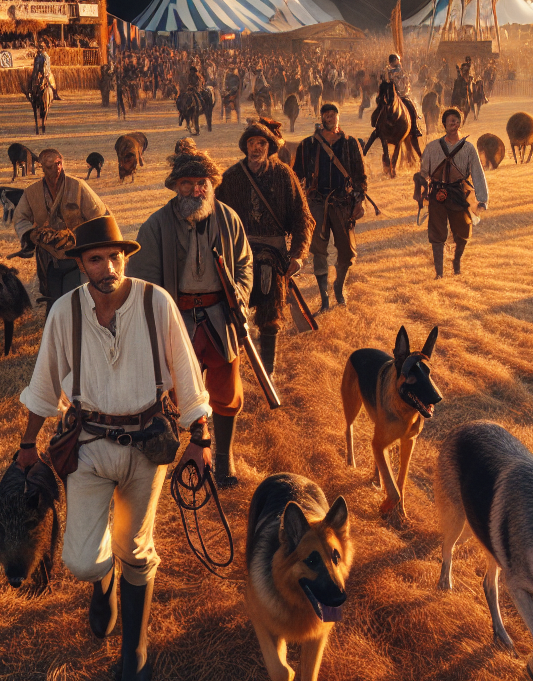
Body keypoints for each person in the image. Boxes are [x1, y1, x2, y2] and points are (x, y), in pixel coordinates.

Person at [15, 215, 212, 681]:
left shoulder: (155, 302)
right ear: (81, 264)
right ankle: (102, 583)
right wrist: (26, 445)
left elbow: (187, 374)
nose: (109, 267)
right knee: (82, 560)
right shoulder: (64, 312)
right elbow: (44, 383)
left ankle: (135, 648)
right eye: (97, 258)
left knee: (136, 548)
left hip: (149, 445)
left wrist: (200, 438)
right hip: (86, 445)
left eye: (115, 257)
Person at [127, 139, 252, 488]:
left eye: (202, 184)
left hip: (219, 316)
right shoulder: (155, 225)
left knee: (227, 392)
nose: (195, 190)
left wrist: (238, 296)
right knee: (179, 391)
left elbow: (244, 264)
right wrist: (158, 319)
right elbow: (144, 278)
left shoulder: (228, 219)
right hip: (176, 319)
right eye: (187, 184)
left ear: (211, 186)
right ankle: (191, 454)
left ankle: (224, 462)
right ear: (175, 187)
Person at [215, 117, 312, 372]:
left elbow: (303, 217)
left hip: (273, 256)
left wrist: (298, 255)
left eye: (261, 143)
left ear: (269, 146)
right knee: (233, 312)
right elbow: (214, 215)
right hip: (238, 256)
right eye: (251, 143)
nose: (256, 148)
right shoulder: (231, 178)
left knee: (270, 318)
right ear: (245, 146)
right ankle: (231, 367)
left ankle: (268, 370)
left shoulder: (284, 174)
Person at [293, 103, 367, 310]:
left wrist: (359, 201)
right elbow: (297, 177)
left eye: (333, 114)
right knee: (318, 251)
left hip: (343, 203)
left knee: (347, 252)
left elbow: (360, 176)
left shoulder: (351, 143)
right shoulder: (307, 145)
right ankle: (324, 297)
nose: (330, 118)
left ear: (338, 117)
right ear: (322, 118)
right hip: (316, 202)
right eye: (326, 115)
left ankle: (339, 287)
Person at [13, 148, 109, 307]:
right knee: (54, 303)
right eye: (50, 166)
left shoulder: (78, 186)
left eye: (58, 163)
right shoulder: (32, 192)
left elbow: (99, 216)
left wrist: (75, 235)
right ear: (42, 168)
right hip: (49, 261)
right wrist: (32, 234)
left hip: (77, 258)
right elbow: (20, 218)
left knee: (75, 302)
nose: (56, 168)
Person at [418, 107, 489, 277]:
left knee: (463, 232)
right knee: (437, 235)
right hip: (437, 193)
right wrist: (422, 193)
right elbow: (423, 173)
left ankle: (456, 263)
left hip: (458, 193)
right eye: (450, 120)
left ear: (459, 123)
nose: (453, 123)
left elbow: (477, 173)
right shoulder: (433, 147)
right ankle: (439, 273)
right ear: (444, 124)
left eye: (456, 120)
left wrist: (482, 198)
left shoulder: (468, 149)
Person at [385, 53, 422, 148]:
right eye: (394, 60)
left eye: (395, 60)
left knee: (411, 108)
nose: (395, 62)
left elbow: (406, 83)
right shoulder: (392, 71)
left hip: (401, 95)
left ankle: (414, 128)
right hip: (395, 95)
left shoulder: (395, 70)